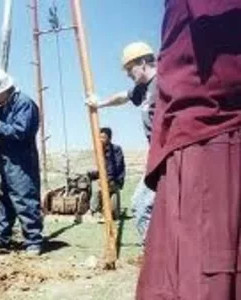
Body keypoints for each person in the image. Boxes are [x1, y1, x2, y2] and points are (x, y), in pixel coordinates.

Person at [137, 1, 241, 300]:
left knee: (203, 268)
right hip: (189, 140)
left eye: (132, 70)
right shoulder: (147, 88)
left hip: (211, 143)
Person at [86, 42, 156, 245]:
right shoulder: (143, 90)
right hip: (158, 159)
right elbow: (122, 97)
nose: (127, 74)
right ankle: (158, 257)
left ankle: (155, 257)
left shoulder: (165, 83)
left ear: (143, 62)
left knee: (142, 206)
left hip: (172, 157)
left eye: (129, 68)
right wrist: (99, 103)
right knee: (141, 205)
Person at [0, 68, 43, 255]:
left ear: (2, 91)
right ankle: (1, 238)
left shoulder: (24, 104)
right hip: (3, 158)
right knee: (3, 199)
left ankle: (33, 241)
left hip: (21, 160)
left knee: (24, 198)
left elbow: (20, 132)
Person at [89, 127, 125, 219]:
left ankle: (97, 210)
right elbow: (101, 166)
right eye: (99, 137)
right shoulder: (100, 149)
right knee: (94, 187)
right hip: (105, 178)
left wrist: (108, 179)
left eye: (103, 137)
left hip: (115, 179)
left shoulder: (116, 150)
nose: (101, 139)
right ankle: (95, 211)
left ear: (109, 138)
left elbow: (116, 166)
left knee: (98, 190)